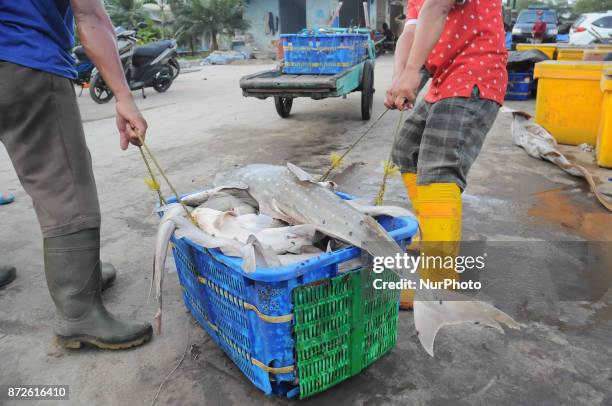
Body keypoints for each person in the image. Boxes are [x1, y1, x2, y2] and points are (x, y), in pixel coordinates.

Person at [0, 1, 152, 349]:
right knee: (63, 181)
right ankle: (78, 312)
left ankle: (84, 274)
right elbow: (90, 16)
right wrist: (123, 96)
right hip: (22, 60)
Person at [385, 0, 507, 309]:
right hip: (444, 79)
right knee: (407, 149)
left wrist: (413, 71)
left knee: (438, 167)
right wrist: (401, 77)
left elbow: (437, 6)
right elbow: (411, 30)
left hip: (474, 73)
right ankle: (434, 232)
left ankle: (438, 283)